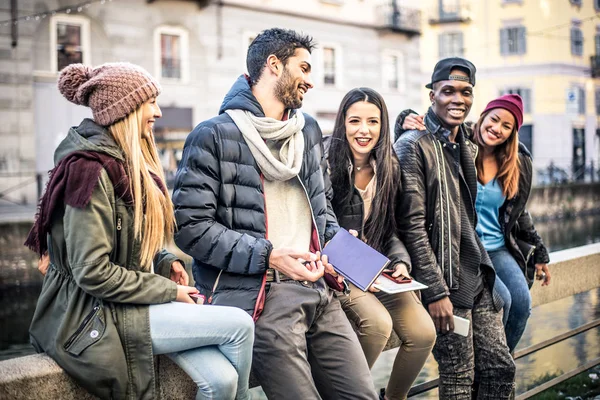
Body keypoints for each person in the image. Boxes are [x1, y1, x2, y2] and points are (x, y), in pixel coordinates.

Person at [25, 62, 254, 400]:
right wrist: (167, 290)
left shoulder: (122, 166)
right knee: (240, 325)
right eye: (150, 102)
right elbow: (93, 273)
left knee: (220, 381)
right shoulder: (89, 173)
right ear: (126, 109)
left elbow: (127, 247)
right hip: (95, 313)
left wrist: (164, 262)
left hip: (128, 303)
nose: (158, 112)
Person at [172, 28, 378, 399]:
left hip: (319, 290)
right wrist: (270, 257)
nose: (311, 81)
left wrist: (363, 264)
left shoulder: (308, 130)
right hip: (262, 298)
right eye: (303, 68)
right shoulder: (212, 136)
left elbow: (322, 214)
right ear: (273, 65)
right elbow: (191, 230)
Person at [393, 57, 516, 398]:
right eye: (448, 91)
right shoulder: (411, 145)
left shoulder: (464, 142)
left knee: (499, 369)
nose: (458, 99)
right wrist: (434, 291)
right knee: (459, 377)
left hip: (477, 275)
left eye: (466, 92)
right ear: (431, 94)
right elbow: (411, 225)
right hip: (446, 281)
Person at [398, 95, 551, 352]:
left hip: (497, 248)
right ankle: (489, 369)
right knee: (502, 301)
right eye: (494, 119)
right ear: (482, 117)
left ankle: (498, 366)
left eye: (507, 126)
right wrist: (404, 119)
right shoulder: (458, 142)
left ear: (513, 133)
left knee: (522, 304)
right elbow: (429, 131)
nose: (497, 129)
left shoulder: (517, 162)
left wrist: (540, 253)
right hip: (465, 246)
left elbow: (520, 213)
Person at [325, 87, 436, 400]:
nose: (364, 130)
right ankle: (344, 394)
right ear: (342, 124)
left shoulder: (388, 167)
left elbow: (390, 230)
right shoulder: (324, 163)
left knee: (423, 333)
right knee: (377, 325)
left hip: (377, 271)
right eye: (355, 121)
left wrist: (400, 262)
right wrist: (353, 260)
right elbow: (317, 229)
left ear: (383, 125)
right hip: (337, 271)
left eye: (373, 122)